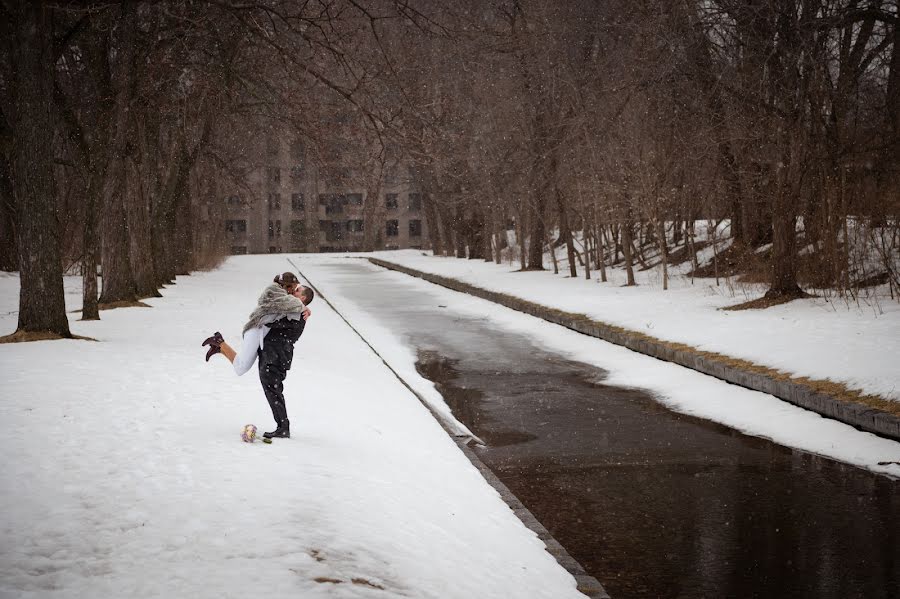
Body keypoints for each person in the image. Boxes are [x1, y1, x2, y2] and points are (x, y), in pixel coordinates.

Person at [202, 272, 315, 439]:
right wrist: (301, 306)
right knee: (269, 387)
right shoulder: (292, 308)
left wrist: (302, 308)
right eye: (295, 289)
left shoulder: (298, 314)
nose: (294, 292)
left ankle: (283, 427)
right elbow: (274, 307)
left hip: (276, 357)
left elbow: (276, 324)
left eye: (298, 291)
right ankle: (283, 426)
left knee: (273, 390)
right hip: (271, 355)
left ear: (303, 298)